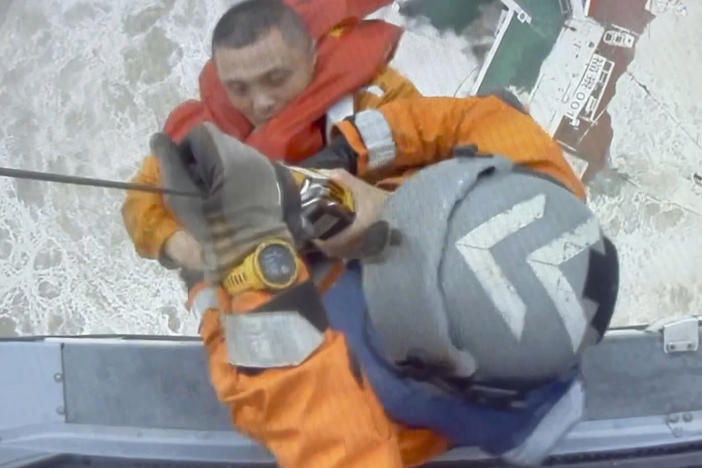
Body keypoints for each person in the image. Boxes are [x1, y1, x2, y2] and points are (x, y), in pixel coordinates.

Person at [152, 93, 618, 467]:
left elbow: (272, 383)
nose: (364, 245)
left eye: (388, 268)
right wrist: (344, 161)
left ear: (424, 372)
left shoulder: (369, 425)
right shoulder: (539, 194)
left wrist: (220, 266)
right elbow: (477, 117)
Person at [122, 0, 421, 272]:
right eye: (239, 88)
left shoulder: (377, 96)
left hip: (376, 257)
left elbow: (439, 164)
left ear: (312, 57)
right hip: (271, 279)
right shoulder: (202, 130)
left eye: (276, 79)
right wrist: (182, 246)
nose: (261, 102)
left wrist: (381, 202)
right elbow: (140, 199)